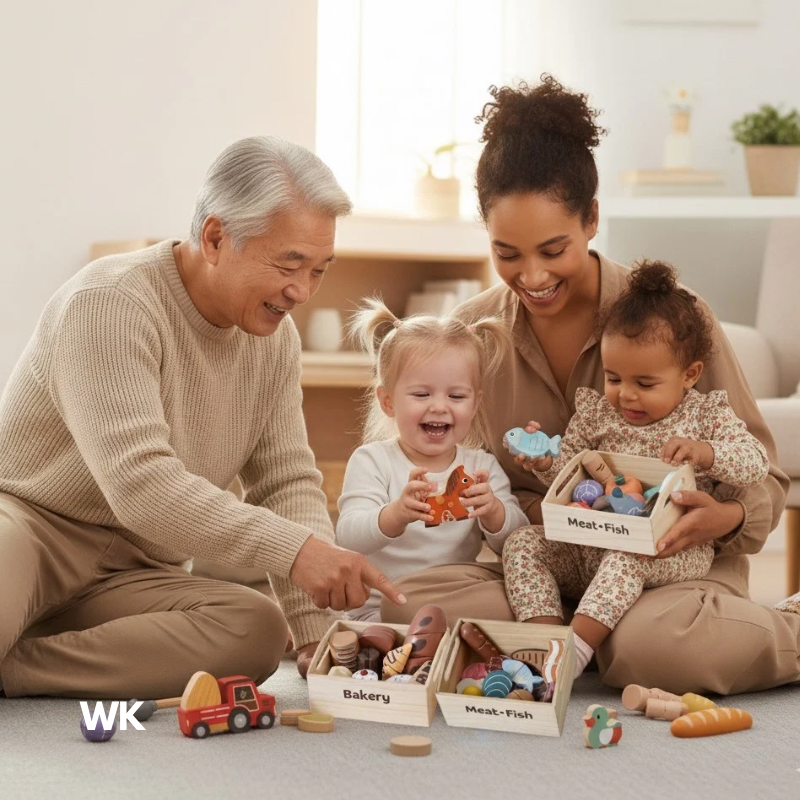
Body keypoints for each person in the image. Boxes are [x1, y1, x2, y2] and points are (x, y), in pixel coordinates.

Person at [381, 76, 800, 695]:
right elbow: (449, 473)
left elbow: (764, 474)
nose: (533, 275)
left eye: (554, 249)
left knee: (659, 649)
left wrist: (727, 516)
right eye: (507, 253)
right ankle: (569, 647)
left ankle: (768, 627)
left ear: (593, 219)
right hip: (542, 570)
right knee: (409, 612)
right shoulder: (469, 335)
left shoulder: (675, 321)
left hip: (665, 571)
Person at [0, 136, 403, 699]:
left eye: (319, 270)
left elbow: (285, 480)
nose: (302, 291)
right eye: (290, 264)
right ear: (216, 237)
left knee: (257, 632)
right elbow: (141, 486)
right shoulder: (109, 302)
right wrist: (297, 552)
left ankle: (15, 668)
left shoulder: (275, 340)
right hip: (31, 531)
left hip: (135, 572)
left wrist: (316, 635)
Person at [503, 259, 769, 680]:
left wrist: (707, 453)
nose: (626, 395)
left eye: (645, 384)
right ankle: (546, 643)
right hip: (588, 549)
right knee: (522, 544)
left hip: (666, 552)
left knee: (631, 553)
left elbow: (756, 462)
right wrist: (543, 463)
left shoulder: (706, 415)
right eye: (613, 378)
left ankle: (575, 652)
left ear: (690, 374)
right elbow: (566, 476)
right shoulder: (596, 413)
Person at [336, 300, 528, 621]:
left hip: (455, 592)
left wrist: (494, 512)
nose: (439, 407)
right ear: (388, 401)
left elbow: (517, 541)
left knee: (521, 590)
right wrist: (395, 514)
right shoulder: (373, 461)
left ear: (476, 403)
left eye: (456, 396)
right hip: (385, 601)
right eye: (422, 395)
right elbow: (348, 535)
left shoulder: (480, 467)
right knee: (398, 616)